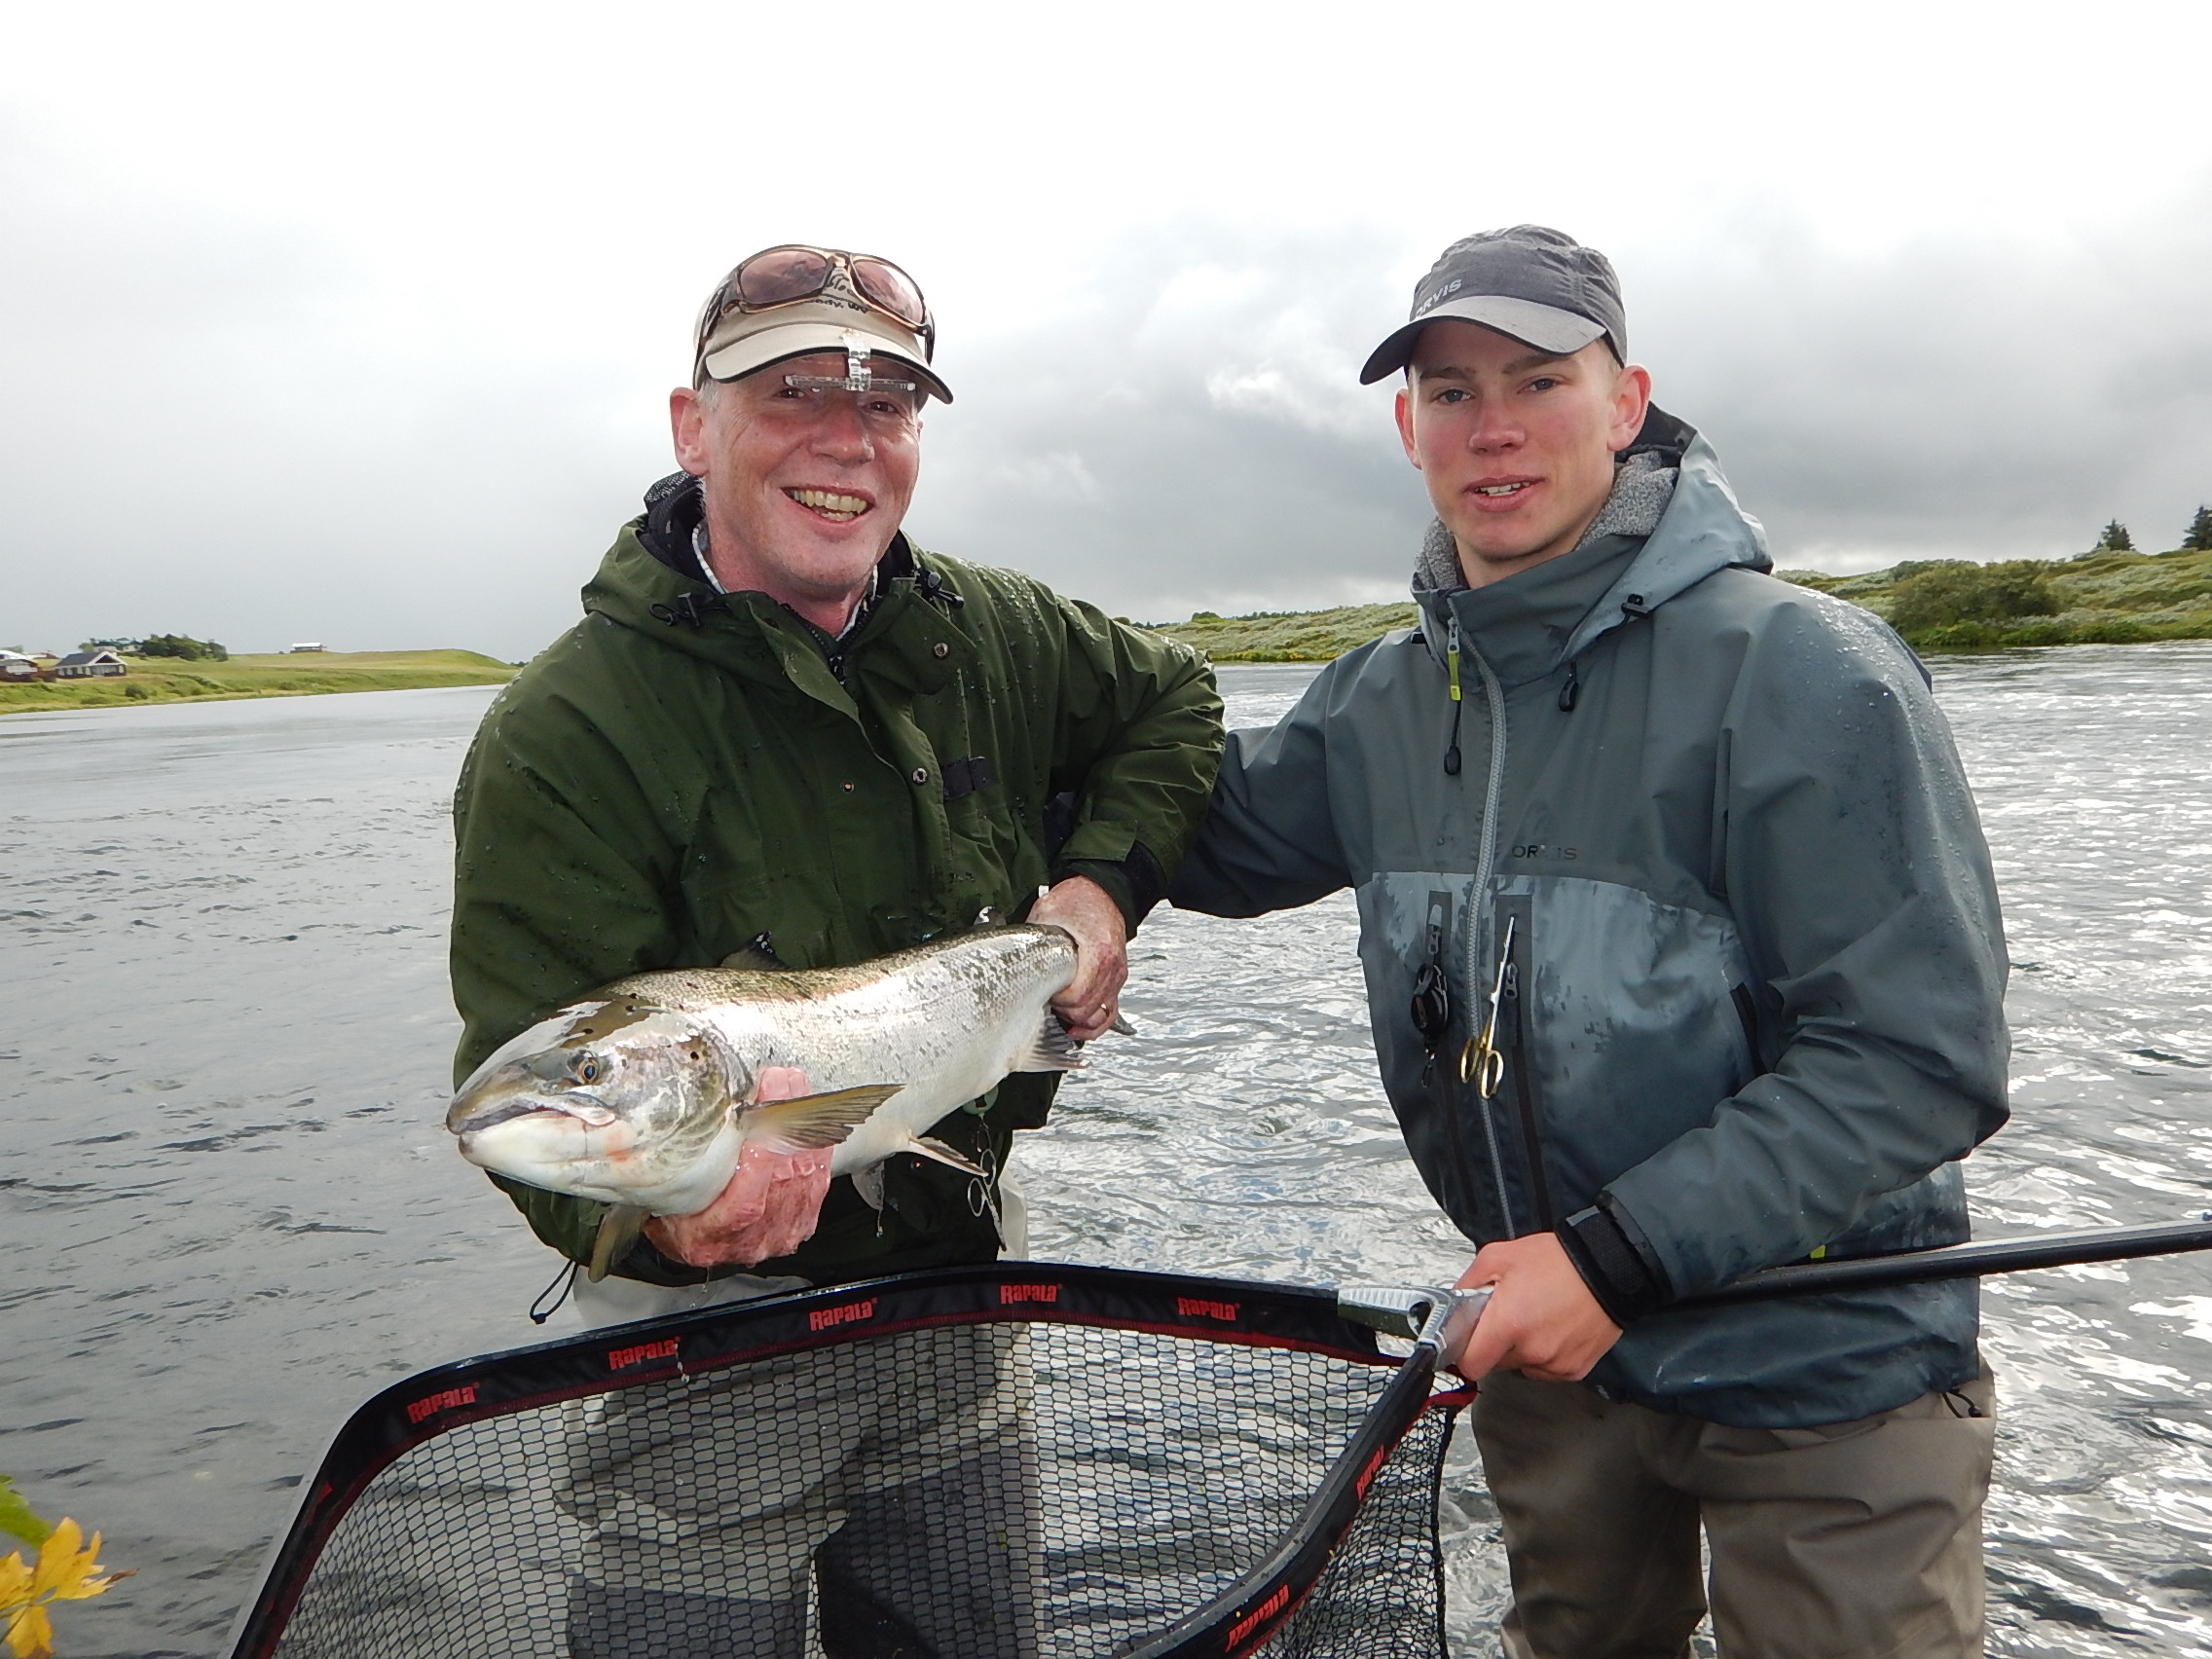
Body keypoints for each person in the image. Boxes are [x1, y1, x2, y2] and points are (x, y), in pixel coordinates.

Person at [1170, 226, 2010, 1658]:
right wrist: (988, 695)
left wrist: (1615, 1261)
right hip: (1551, 1369)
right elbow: (1200, 841)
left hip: (1829, 1371)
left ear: (1627, 404)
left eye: (1539, 380)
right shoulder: (1380, 700)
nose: (1492, 427)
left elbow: (1918, 1062)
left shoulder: (1805, 671)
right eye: (1450, 391)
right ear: (1405, 426)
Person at [449, 243, 1222, 1657]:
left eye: (888, 407)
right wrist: (665, 1216)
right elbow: (522, 1095)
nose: (846, 443)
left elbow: (1177, 702)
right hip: (706, 1364)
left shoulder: (999, 631)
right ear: (693, 427)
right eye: (794, 392)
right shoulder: (562, 734)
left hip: (963, 1304)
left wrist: (1103, 891)